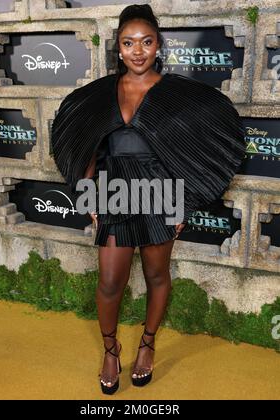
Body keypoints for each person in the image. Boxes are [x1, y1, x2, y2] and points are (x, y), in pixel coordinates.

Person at [51, 4, 246, 395]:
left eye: (146, 41)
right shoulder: (100, 93)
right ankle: (111, 350)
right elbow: (87, 144)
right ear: (118, 48)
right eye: (128, 42)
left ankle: (147, 344)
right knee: (109, 282)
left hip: (160, 194)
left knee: (157, 275)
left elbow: (190, 151)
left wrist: (181, 203)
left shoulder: (178, 94)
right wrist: (89, 194)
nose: (137, 51)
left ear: (158, 45)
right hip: (114, 193)